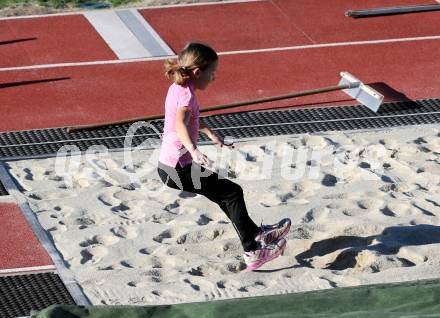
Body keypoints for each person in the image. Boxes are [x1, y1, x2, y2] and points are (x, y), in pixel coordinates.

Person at [157, 42, 291, 271]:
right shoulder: (187, 96)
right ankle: (253, 251)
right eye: (212, 73)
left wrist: (209, 132)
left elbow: (189, 120)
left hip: (169, 166)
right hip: (179, 168)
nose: (214, 78)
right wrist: (194, 150)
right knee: (232, 193)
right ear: (198, 72)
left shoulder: (178, 87)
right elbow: (180, 123)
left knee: (226, 196)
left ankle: (257, 236)